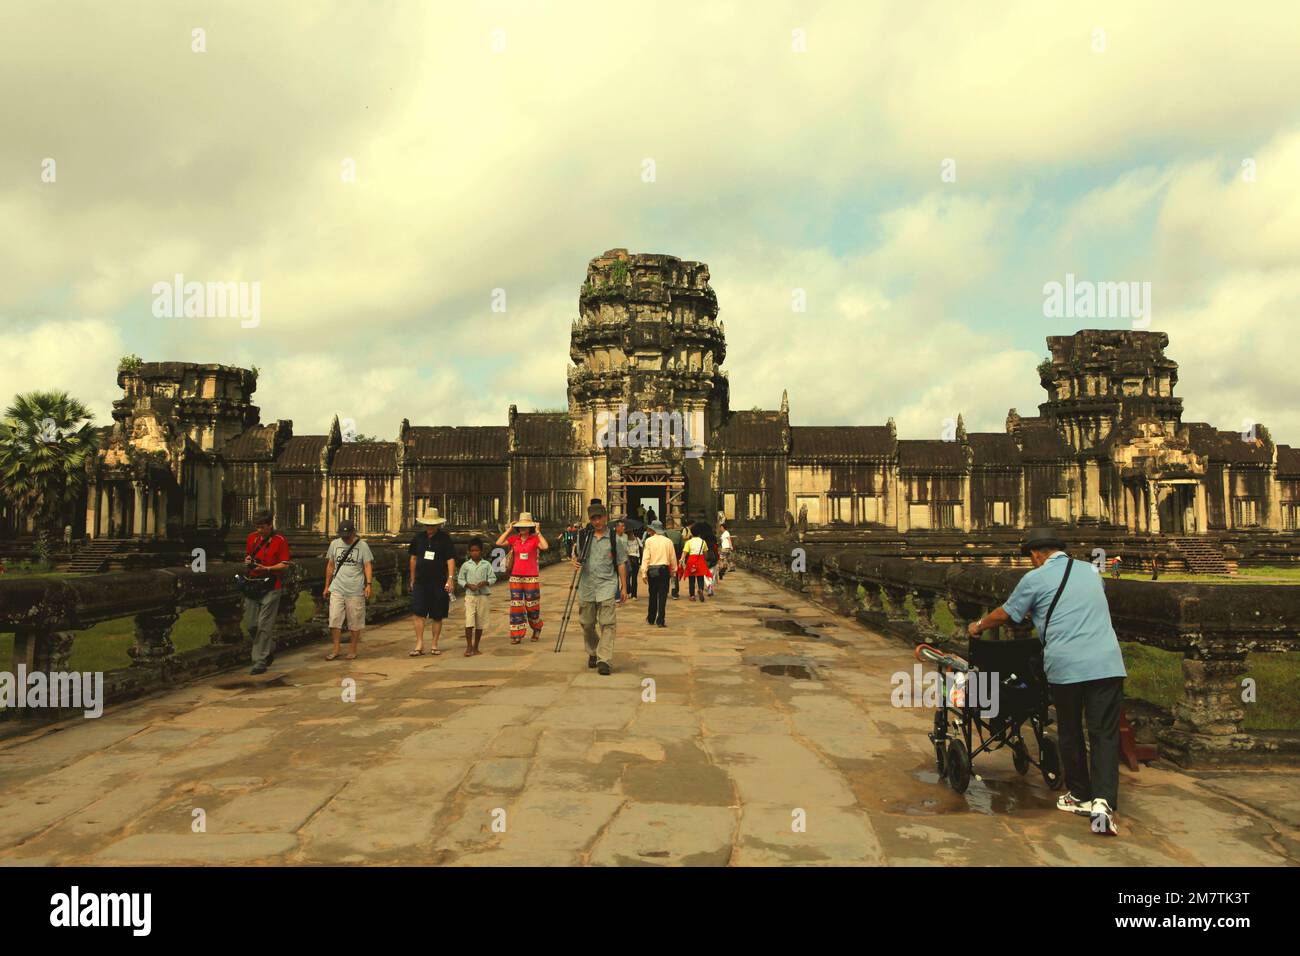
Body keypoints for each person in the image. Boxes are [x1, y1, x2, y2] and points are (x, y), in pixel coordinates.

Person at [966, 528, 1126, 837]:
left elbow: (1006, 614)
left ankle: (1079, 794)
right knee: (1104, 733)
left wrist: (979, 625)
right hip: (1108, 662)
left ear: (1037, 554)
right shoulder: (1092, 571)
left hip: (1067, 665)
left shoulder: (1035, 578)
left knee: (1070, 729)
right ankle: (1103, 803)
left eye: (1031, 557)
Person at [573, 500, 628, 675]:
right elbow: (575, 557)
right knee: (587, 623)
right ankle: (593, 651)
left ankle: (604, 659)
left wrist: (624, 587)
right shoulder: (583, 537)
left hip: (607, 585)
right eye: (593, 518)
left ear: (606, 517)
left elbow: (620, 563)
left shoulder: (614, 538)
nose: (597, 521)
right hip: (587, 586)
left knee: (608, 624)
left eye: (599, 517)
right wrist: (574, 562)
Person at [242, 510, 291, 675]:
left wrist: (268, 568)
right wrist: (248, 561)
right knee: (251, 624)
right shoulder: (251, 538)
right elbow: (249, 556)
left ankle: (259, 660)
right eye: (257, 527)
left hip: (271, 586)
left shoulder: (280, 541)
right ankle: (269, 647)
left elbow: (285, 564)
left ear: (270, 525)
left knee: (264, 624)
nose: (259, 530)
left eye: (262, 527)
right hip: (253, 585)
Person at [322, 518, 373, 661]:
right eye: (343, 536)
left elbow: (367, 565)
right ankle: (336, 647)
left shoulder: (362, 546)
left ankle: (353, 648)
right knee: (334, 619)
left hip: (355, 589)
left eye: (348, 536)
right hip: (337, 587)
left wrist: (368, 584)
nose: (345, 539)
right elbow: (330, 566)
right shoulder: (334, 544)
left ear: (353, 533)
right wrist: (327, 586)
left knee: (354, 621)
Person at [495, 512, 549, 643]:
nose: (523, 528)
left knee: (532, 606)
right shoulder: (514, 539)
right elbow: (499, 542)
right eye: (521, 526)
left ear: (530, 527)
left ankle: (537, 627)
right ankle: (517, 634)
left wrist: (538, 532)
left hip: (531, 577)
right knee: (516, 606)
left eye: (526, 526)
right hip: (515, 577)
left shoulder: (535, 539)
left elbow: (545, 546)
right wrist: (508, 529)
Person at [408, 508, 455, 656]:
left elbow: (450, 559)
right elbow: (413, 558)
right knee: (418, 613)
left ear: (438, 525)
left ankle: (434, 643)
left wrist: (450, 578)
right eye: (428, 525)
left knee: (437, 614)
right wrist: (412, 578)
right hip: (421, 581)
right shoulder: (418, 538)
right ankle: (419, 643)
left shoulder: (445, 539)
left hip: (438, 581)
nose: (430, 528)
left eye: (432, 525)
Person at [457, 538, 494, 657]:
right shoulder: (466, 565)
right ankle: (469, 646)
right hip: (470, 596)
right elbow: (460, 579)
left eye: (477, 550)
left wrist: (485, 583)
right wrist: (467, 585)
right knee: (469, 620)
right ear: (469, 552)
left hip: (482, 595)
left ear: (481, 552)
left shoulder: (486, 564)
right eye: (472, 551)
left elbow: (493, 578)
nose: (474, 553)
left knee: (480, 623)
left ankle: (476, 646)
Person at [639, 520, 677, 627]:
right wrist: (674, 570)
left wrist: (644, 572)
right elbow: (672, 557)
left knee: (653, 595)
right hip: (664, 570)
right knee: (662, 596)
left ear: (653, 530)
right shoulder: (668, 541)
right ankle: (660, 620)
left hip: (652, 571)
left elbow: (646, 558)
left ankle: (651, 618)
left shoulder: (649, 541)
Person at [680, 528, 711, 601]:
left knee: (691, 579)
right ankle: (700, 589)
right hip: (700, 560)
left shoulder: (689, 542)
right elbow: (706, 553)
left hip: (691, 560)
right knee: (700, 577)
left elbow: (685, 552)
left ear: (692, 534)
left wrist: (681, 560)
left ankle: (692, 596)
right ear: (699, 534)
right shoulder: (703, 542)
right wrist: (705, 559)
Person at [664, 518, 684, 599]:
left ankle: (664, 592)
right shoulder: (678, 534)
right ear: (673, 525)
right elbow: (682, 547)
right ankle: (674, 593)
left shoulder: (663, 534)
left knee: (665, 576)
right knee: (674, 576)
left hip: (665, 558)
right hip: (675, 557)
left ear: (666, 525)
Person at [622, 520, 641, 599]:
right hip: (636, 559)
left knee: (627, 577)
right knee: (634, 577)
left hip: (628, 559)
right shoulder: (637, 539)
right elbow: (641, 547)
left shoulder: (625, 540)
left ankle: (628, 592)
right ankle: (634, 595)